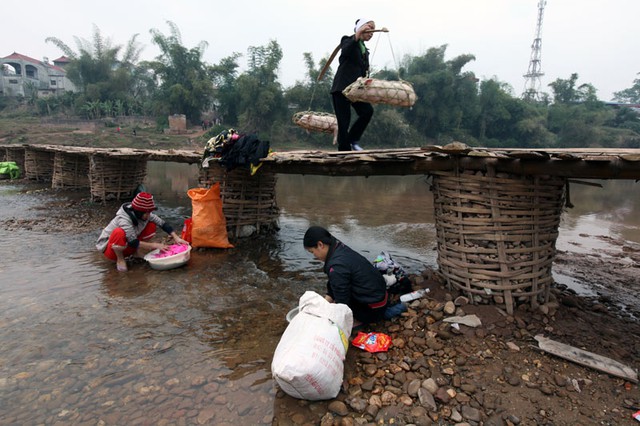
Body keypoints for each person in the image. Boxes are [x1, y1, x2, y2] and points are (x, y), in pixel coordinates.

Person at [303, 226, 390, 327]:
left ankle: (358, 321)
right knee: (338, 287)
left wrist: (333, 316)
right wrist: (326, 304)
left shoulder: (336, 266)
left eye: (312, 252)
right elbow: (334, 282)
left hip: (374, 309)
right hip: (381, 297)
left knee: (339, 302)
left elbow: (342, 303)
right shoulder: (338, 246)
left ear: (320, 244)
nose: (314, 256)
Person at [96, 192, 188, 272]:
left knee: (151, 224)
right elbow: (133, 242)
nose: (148, 215)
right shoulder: (124, 219)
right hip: (110, 248)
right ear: (137, 211)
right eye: (146, 213)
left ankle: (135, 253)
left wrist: (176, 237)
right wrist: (155, 245)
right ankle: (120, 259)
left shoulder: (146, 214)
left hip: (129, 244)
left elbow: (162, 224)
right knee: (119, 232)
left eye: (149, 213)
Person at [330, 18, 376, 152]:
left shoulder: (365, 51)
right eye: (370, 29)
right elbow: (345, 51)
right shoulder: (347, 40)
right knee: (344, 121)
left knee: (367, 111)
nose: (372, 33)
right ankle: (344, 151)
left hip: (356, 90)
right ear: (362, 28)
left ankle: (352, 140)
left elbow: (363, 71)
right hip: (342, 88)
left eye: (373, 30)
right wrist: (357, 34)